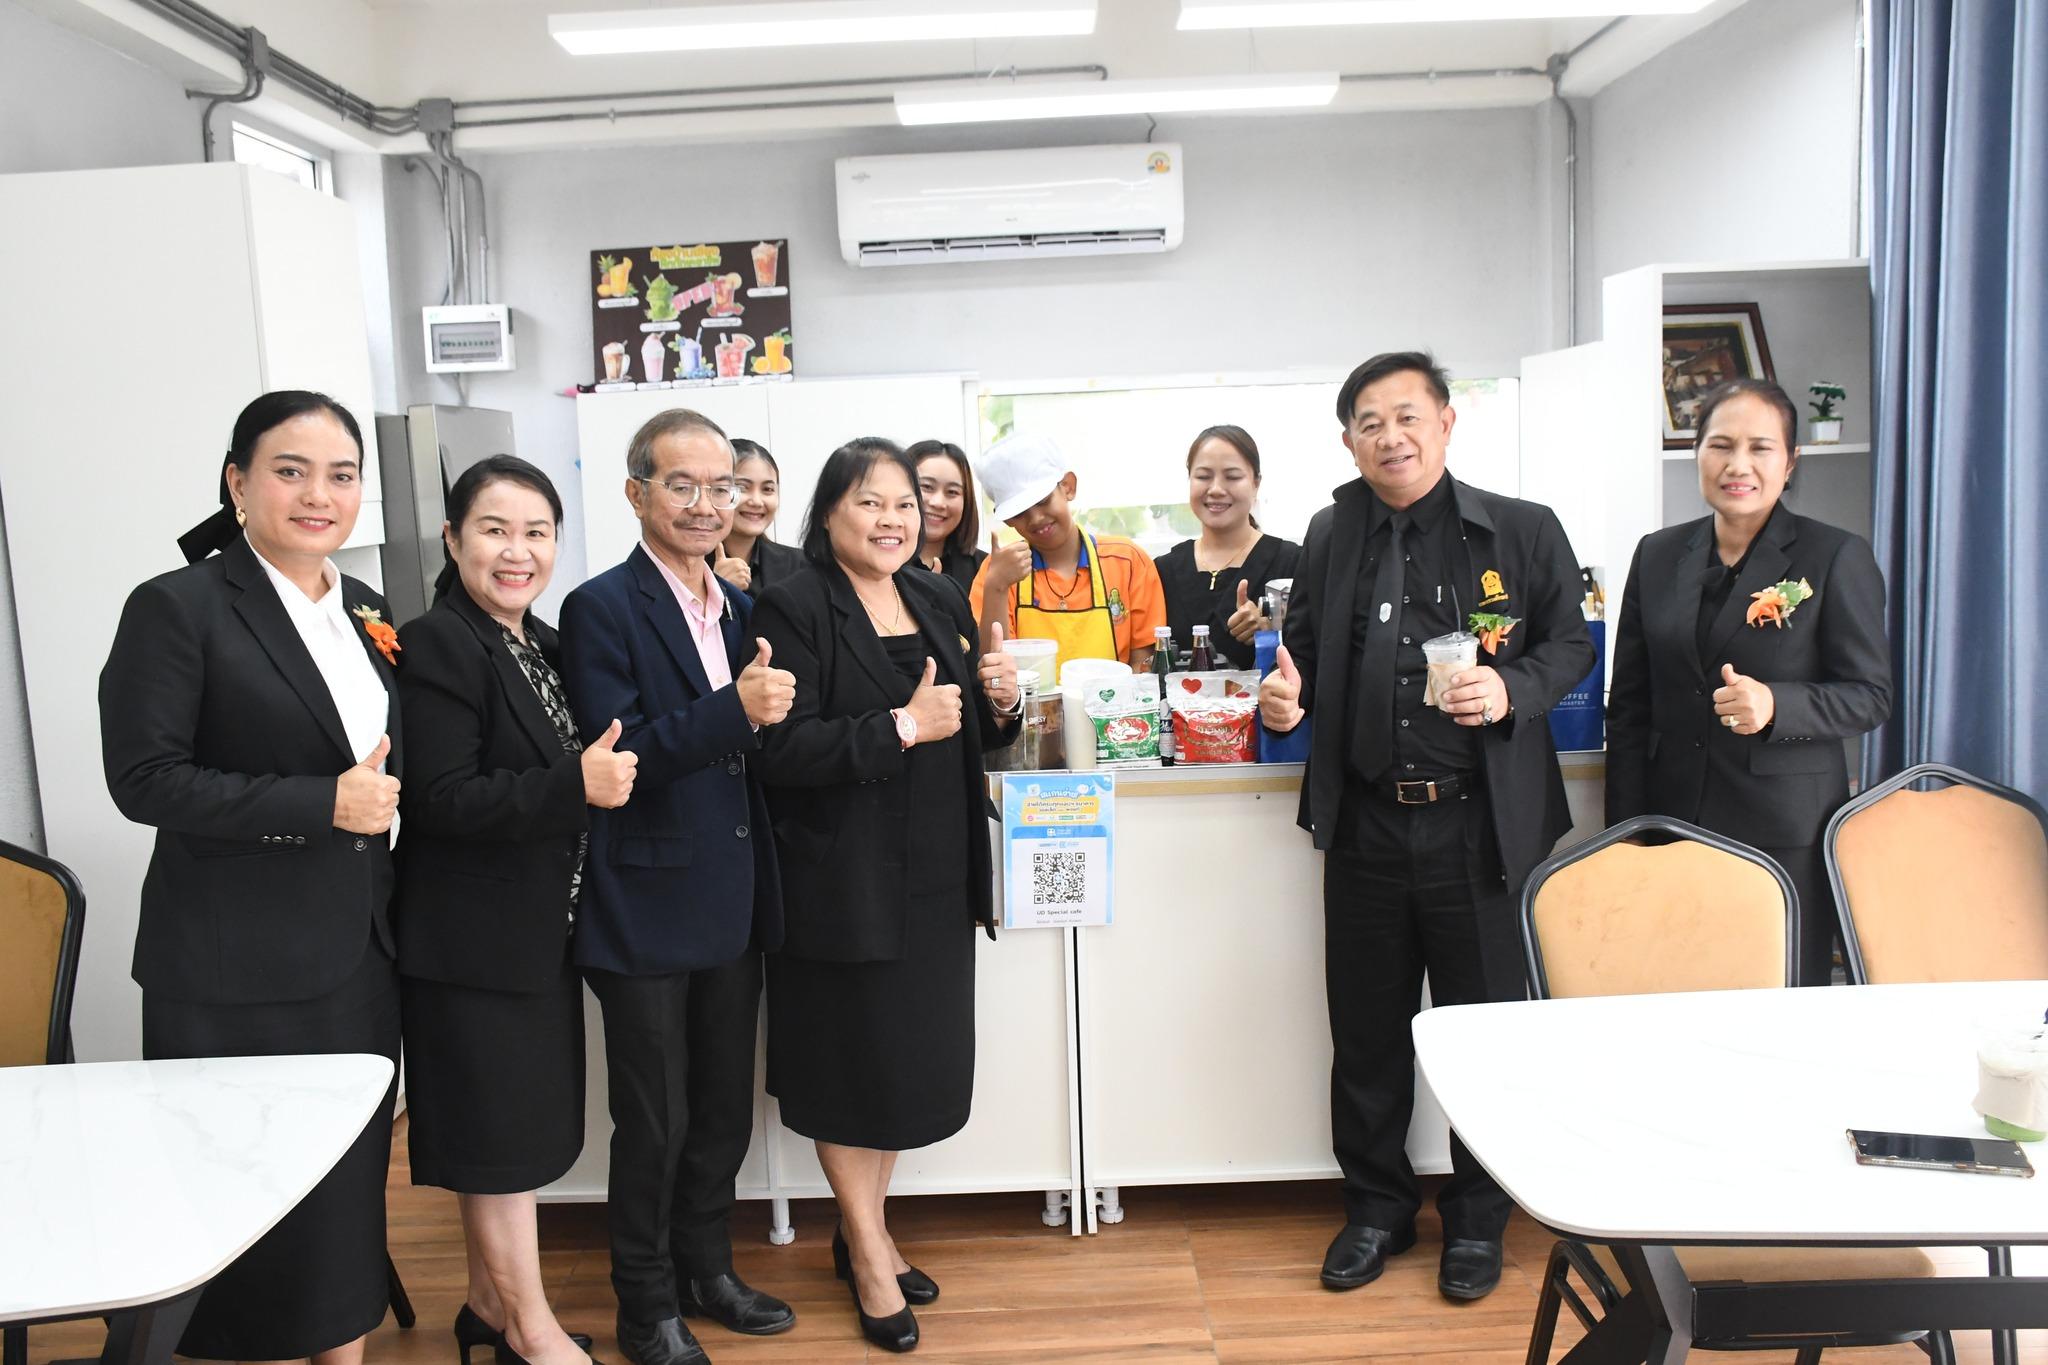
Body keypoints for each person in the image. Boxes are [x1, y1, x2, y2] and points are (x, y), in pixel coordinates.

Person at [1258, 353, 1593, 1303]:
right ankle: (1377, 1208)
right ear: (1348, 441)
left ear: (1446, 422)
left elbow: (1570, 642)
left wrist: (1512, 686)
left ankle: (1478, 1220)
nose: (1390, 436)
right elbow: (1304, 658)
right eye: (1370, 422)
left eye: (1407, 415)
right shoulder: (1330, 532)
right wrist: (1284, 700)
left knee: (1483, 1035)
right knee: (1366, 1031)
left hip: (1481, 828)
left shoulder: (1521, 529)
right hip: (1366, 823)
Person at [100, 390, 402, 1365]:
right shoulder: (177, 606)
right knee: (252, 1212)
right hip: (234, 971)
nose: (319, 495)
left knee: (343, 1200)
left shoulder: (363, 605)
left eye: (341, 475)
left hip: (358, 954)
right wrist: (321, 804)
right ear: (237, 482)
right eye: (290, 470)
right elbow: (145, 779)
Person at [750, 437, 1019, 1354]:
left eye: (904, 503)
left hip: (937, 874)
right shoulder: (791, 606)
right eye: (870, 502)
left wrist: (1000, 703)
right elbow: (780, 750)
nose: (893, 519)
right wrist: (902, 726)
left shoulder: (936, 595)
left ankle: (865, 1227)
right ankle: (868, 1251)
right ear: (829, 512)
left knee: (900, 1070)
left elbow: (967, 728)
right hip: (843, 879)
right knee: (848, 1071)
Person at [558, 409, 799, 1365]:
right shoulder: (600, 608)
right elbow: (619, 755)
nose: (707, 504)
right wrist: (735, 710)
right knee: (654, 1121)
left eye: (722, 486)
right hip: (645, 900)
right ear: (637, 493)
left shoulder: (736, 606)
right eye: (683, 485)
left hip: (732, 893)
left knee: (722, 1108)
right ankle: (644, 1303)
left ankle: (708, 1268)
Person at [394, 455, 639, 1365]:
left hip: (531, 932)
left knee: (507, 1131)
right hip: (471, 941)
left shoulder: (536, 639)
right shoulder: (438, 642)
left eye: (536, 532)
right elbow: (440, 797)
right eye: (494, 530)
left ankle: (486, 1304)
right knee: (499, 1140)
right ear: (453, 538)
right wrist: (573, 784)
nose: (517, 551)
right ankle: (532, 1332)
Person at [1606, 378, 1891, 986]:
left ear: (1790, 462)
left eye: (1761, 448)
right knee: (1674, 994)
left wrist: (1776, 706)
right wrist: (1624, 830)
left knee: (1781, 1003)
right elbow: (1629, 707)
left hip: (1783, 833)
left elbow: (1870, 695)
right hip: (1671, 824)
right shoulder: (1657, 555)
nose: (1738, 465)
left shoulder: (1835, 556)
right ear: (1697, 454)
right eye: (1720, 445)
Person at [968, 432, 1167, 670]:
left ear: (1068, 486)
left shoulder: (1128, 562)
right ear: (1007, 520)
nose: (1036, 518)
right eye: (1019, 512)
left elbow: (1143, 665)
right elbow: (993, 666)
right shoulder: (997, 572)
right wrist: (997, 587)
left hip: (1116, 695)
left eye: (1043, 501)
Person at [1154, 425, 1304, 668]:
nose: (1216, 489)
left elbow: (1314, 650)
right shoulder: (1162, 571)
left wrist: (1270, 631)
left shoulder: (1293, 563)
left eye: (1233, 477)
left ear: (1256, 483)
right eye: (1203, 477)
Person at [709, 438, 806, 598]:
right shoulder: (688, 566)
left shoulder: (799, 566)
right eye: (742, 487)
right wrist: (715, 588)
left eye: (767, 489)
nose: (756, 501)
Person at [906, 438, 987, 599]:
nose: (938, 503)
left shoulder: (985, 568)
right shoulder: (878, 563)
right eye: (927, 487)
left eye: (952, 492)